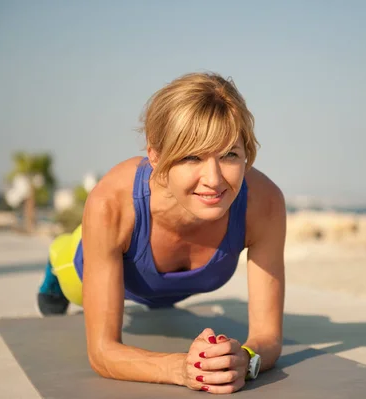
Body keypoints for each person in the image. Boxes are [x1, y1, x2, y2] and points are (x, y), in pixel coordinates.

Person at [36, 72, 286, 394]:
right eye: (192, 156)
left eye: (229, 155)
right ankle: (56, 268)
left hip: (167, 291)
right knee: (69, 269)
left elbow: (268, 338)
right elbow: (101, 352)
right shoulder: (111, 203)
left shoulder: (263, 203)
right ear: (155, 156)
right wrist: (182, 369)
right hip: (90, 268)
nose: (214, 179)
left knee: (161, 306)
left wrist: (244, 360)